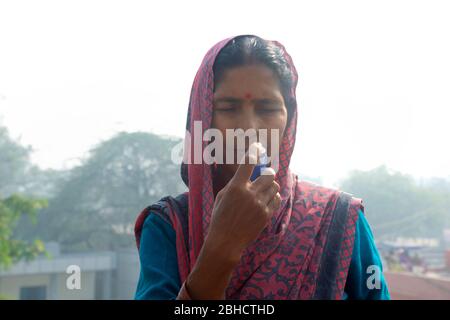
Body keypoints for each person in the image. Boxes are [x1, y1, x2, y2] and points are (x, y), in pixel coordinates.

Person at [134, 35, 390, 300]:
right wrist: (223, 247)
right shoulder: (170, 226)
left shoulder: (339, 219)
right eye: (229, 107)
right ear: (204, 116)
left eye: (267, 108)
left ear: (289, 120)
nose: (249, 128)